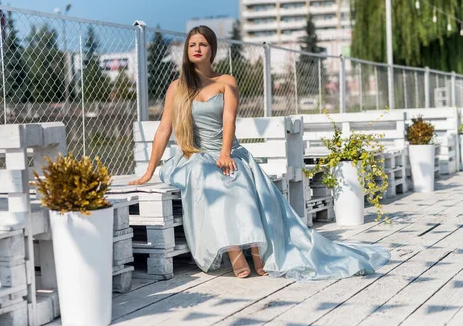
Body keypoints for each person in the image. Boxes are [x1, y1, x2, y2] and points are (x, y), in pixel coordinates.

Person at [129, 26, 390, 280]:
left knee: (236, 179)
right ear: (187, 51)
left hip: (228, 151)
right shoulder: (177, 87)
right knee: (207, 176)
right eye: (192, 45)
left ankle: (256, 248)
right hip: (194, 156)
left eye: (203, 44)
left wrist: (225, 153)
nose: (197, 49)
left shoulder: (226, 81)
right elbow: (164, 129)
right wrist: (149, 172)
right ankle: (235, 252)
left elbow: (229, 120)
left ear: (212, 49)